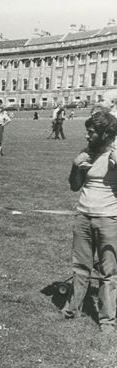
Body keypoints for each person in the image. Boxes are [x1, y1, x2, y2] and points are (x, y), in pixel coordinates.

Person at [62, 111, 117, 333]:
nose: (87, 136)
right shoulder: (87, 153)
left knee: (108, 272)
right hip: (83, 216)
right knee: (81, 267)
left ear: (105, 134)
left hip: (108, 219)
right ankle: (72, 309)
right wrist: (76, 165)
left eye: (91, 132)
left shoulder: (115, 154)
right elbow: (74, 186)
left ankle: (107, 320)